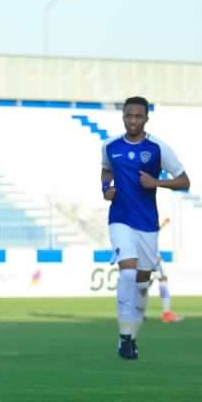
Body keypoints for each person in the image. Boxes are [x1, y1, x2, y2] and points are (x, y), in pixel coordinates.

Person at [101, 96, 189, 360]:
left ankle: (132, 336)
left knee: (141, 284)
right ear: (123, 117)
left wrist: (157, 183)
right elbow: (106, 171)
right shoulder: (110, 146)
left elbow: (184, 180)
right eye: (129, 116)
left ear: (146, 119)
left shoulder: (159, 148)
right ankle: (124, 337)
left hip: (147, 223)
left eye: (138, 116)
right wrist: (106, 189)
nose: (133, 121)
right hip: (119, 218)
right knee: (127, 273)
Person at [151, 218, 183, 323]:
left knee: (142, 287)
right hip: (154, 262)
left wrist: (163, 224)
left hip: (148, 261)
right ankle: (166, 314)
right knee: (163, 283)